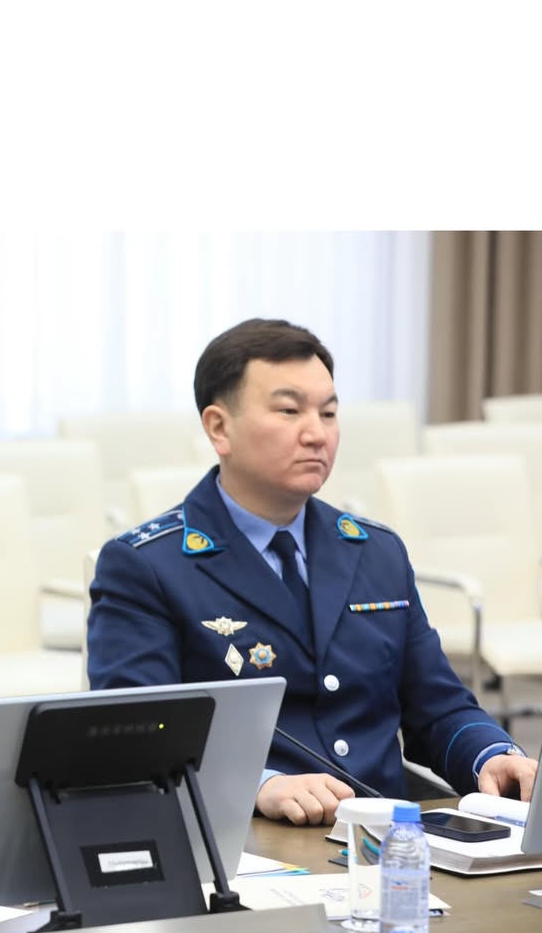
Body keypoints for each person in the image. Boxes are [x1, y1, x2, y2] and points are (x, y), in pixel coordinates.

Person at [86, 317, 537, 826]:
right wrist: (258, 784)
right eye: (289, 411)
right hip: (244, 836)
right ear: (218, 428)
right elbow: (137, 738)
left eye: (328, 413)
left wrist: (490, 756)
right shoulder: (147, 565)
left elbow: (438, 709)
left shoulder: (376, 551)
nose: (316, 434)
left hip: (386, 838)